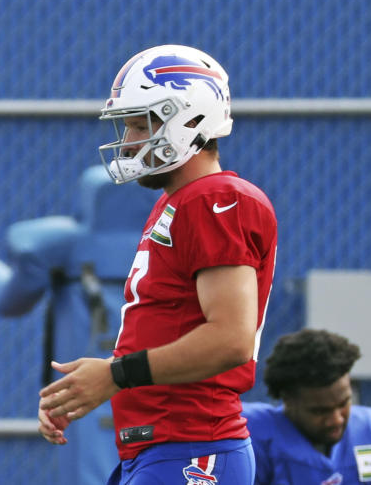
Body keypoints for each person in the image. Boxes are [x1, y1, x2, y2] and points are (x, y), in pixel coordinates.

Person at [38, 44, 278, 485]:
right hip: (160, 447)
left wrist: (115, 374)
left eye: (139, 123)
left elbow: (231, 338)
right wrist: (90, 384)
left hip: (193, 448)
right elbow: (172, 323)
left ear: (189, 120)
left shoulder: (216, 199)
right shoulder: (180, 201)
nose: (129, 140)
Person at [242, 329, 371, 485]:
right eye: (319, 411)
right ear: (288, 399)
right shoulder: (254, 437)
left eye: (344, 403)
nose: (336, 419)